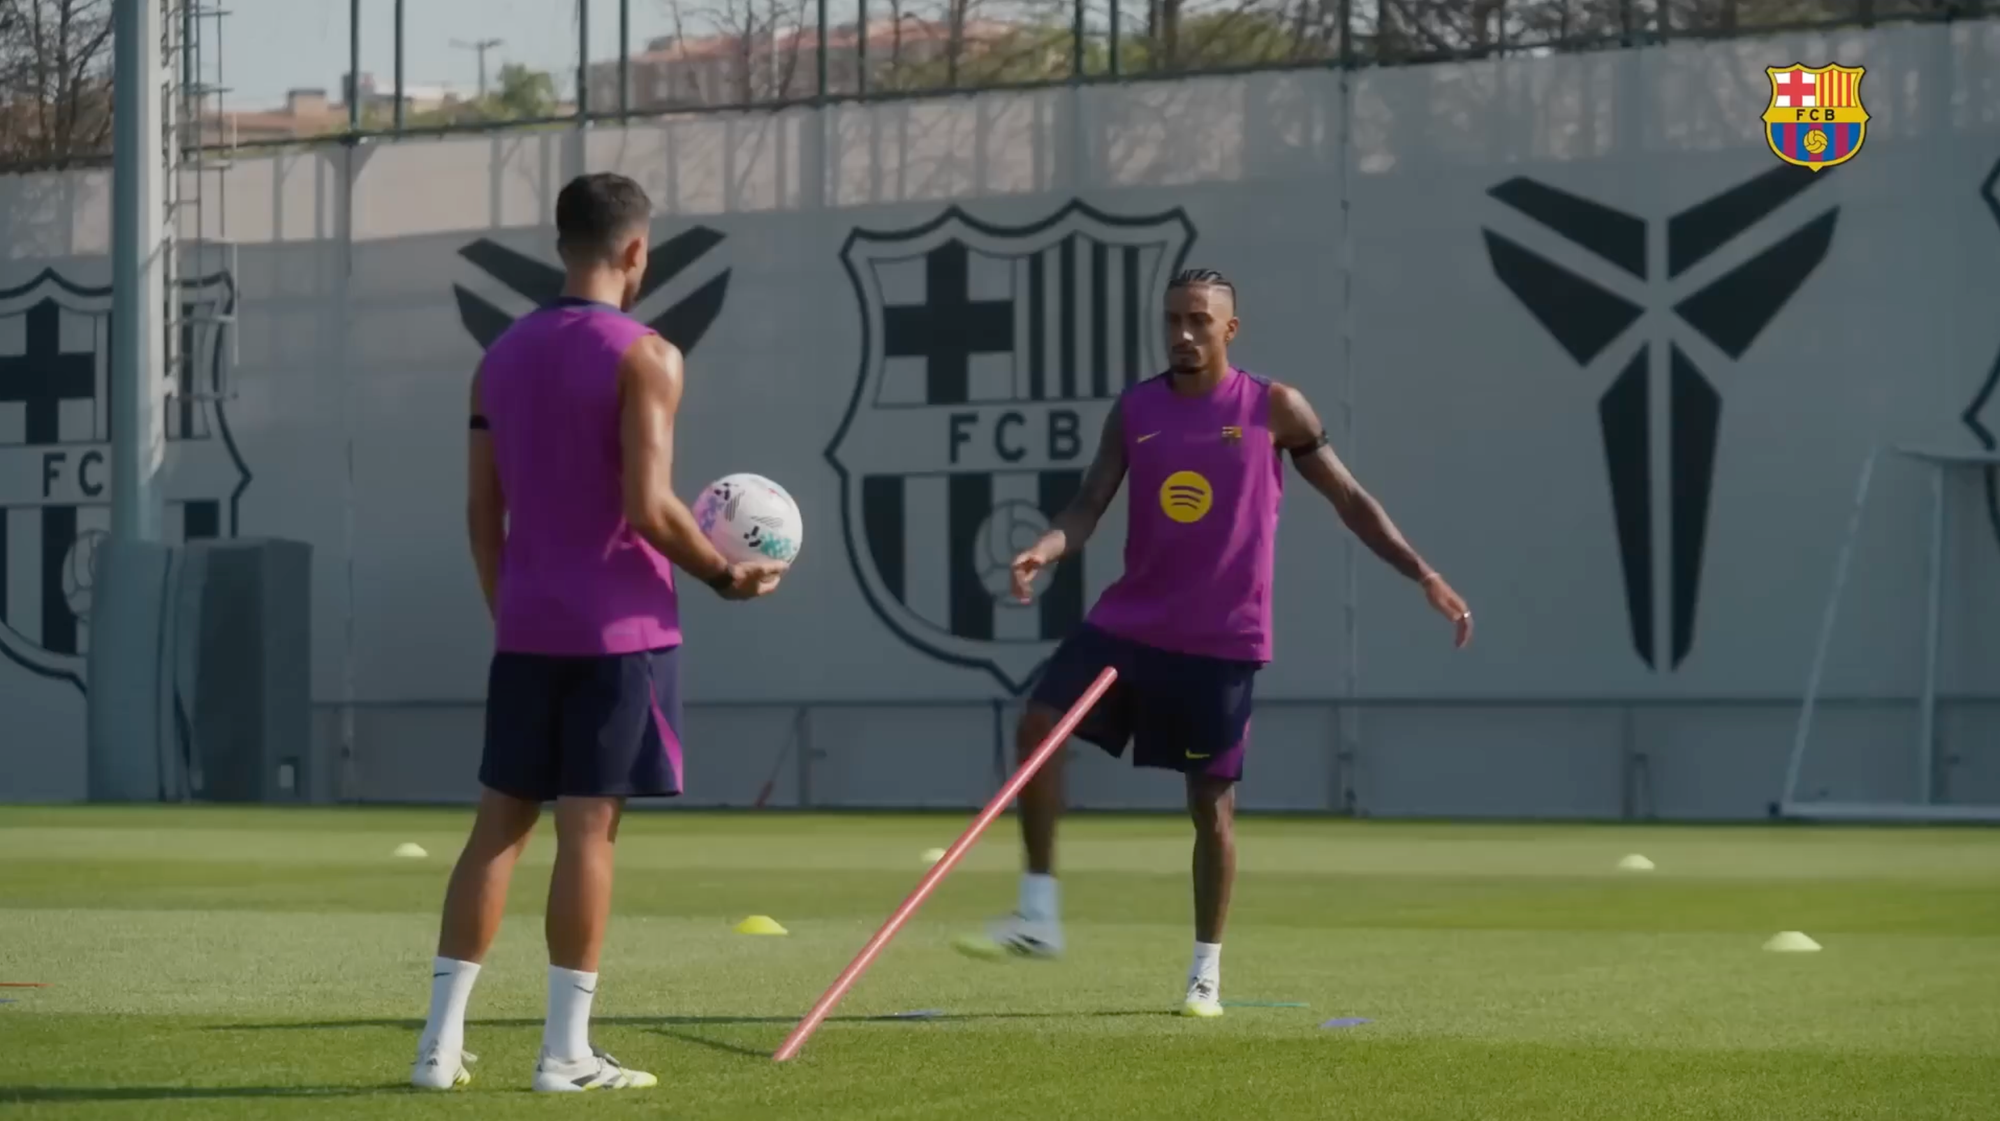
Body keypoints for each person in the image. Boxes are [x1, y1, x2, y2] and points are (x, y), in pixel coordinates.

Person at [952, 268, 1471, 1017]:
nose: (1183, 334)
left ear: (1230, 329)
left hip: (1221, 639)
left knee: (1210, 808)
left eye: (1199, 320)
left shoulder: (1273, 407)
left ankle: (1205, 973)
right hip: (1131, 623)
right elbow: (1089, 502)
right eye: (1173, 320)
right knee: (1039, 722)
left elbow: (1351, 499)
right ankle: (1038, 914)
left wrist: (1423, 573)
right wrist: (1047, 547)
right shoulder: (1136, 408)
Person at [410, 172, 786, 1093]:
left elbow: (481, 514)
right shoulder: (648, 355)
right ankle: (565, 1053)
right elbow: (649, 505)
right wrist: (724, 574)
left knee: (496, 830)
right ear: (637, 251)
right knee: (588, 834)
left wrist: (511, 612)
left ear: (560, 243)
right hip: (621, 634)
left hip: (527, 629)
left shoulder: (497, 359)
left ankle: (437, 1047)